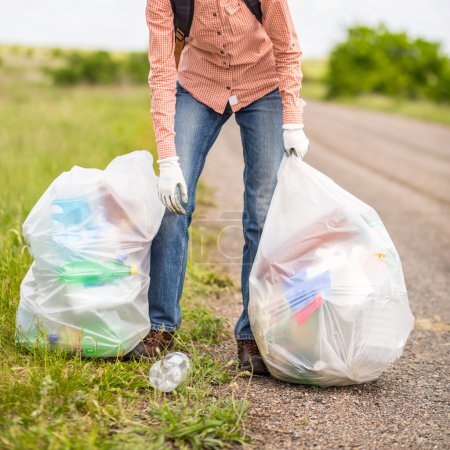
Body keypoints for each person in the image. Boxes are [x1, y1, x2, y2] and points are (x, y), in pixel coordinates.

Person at [126, 0, 310, 375]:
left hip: (263, 84)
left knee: (262, 211)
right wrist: (168, 160)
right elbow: (162, 71)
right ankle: (161, 326)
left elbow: (288, 47)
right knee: (171, 203)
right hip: (198, 84)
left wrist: (292, 120)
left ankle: (253, 333)